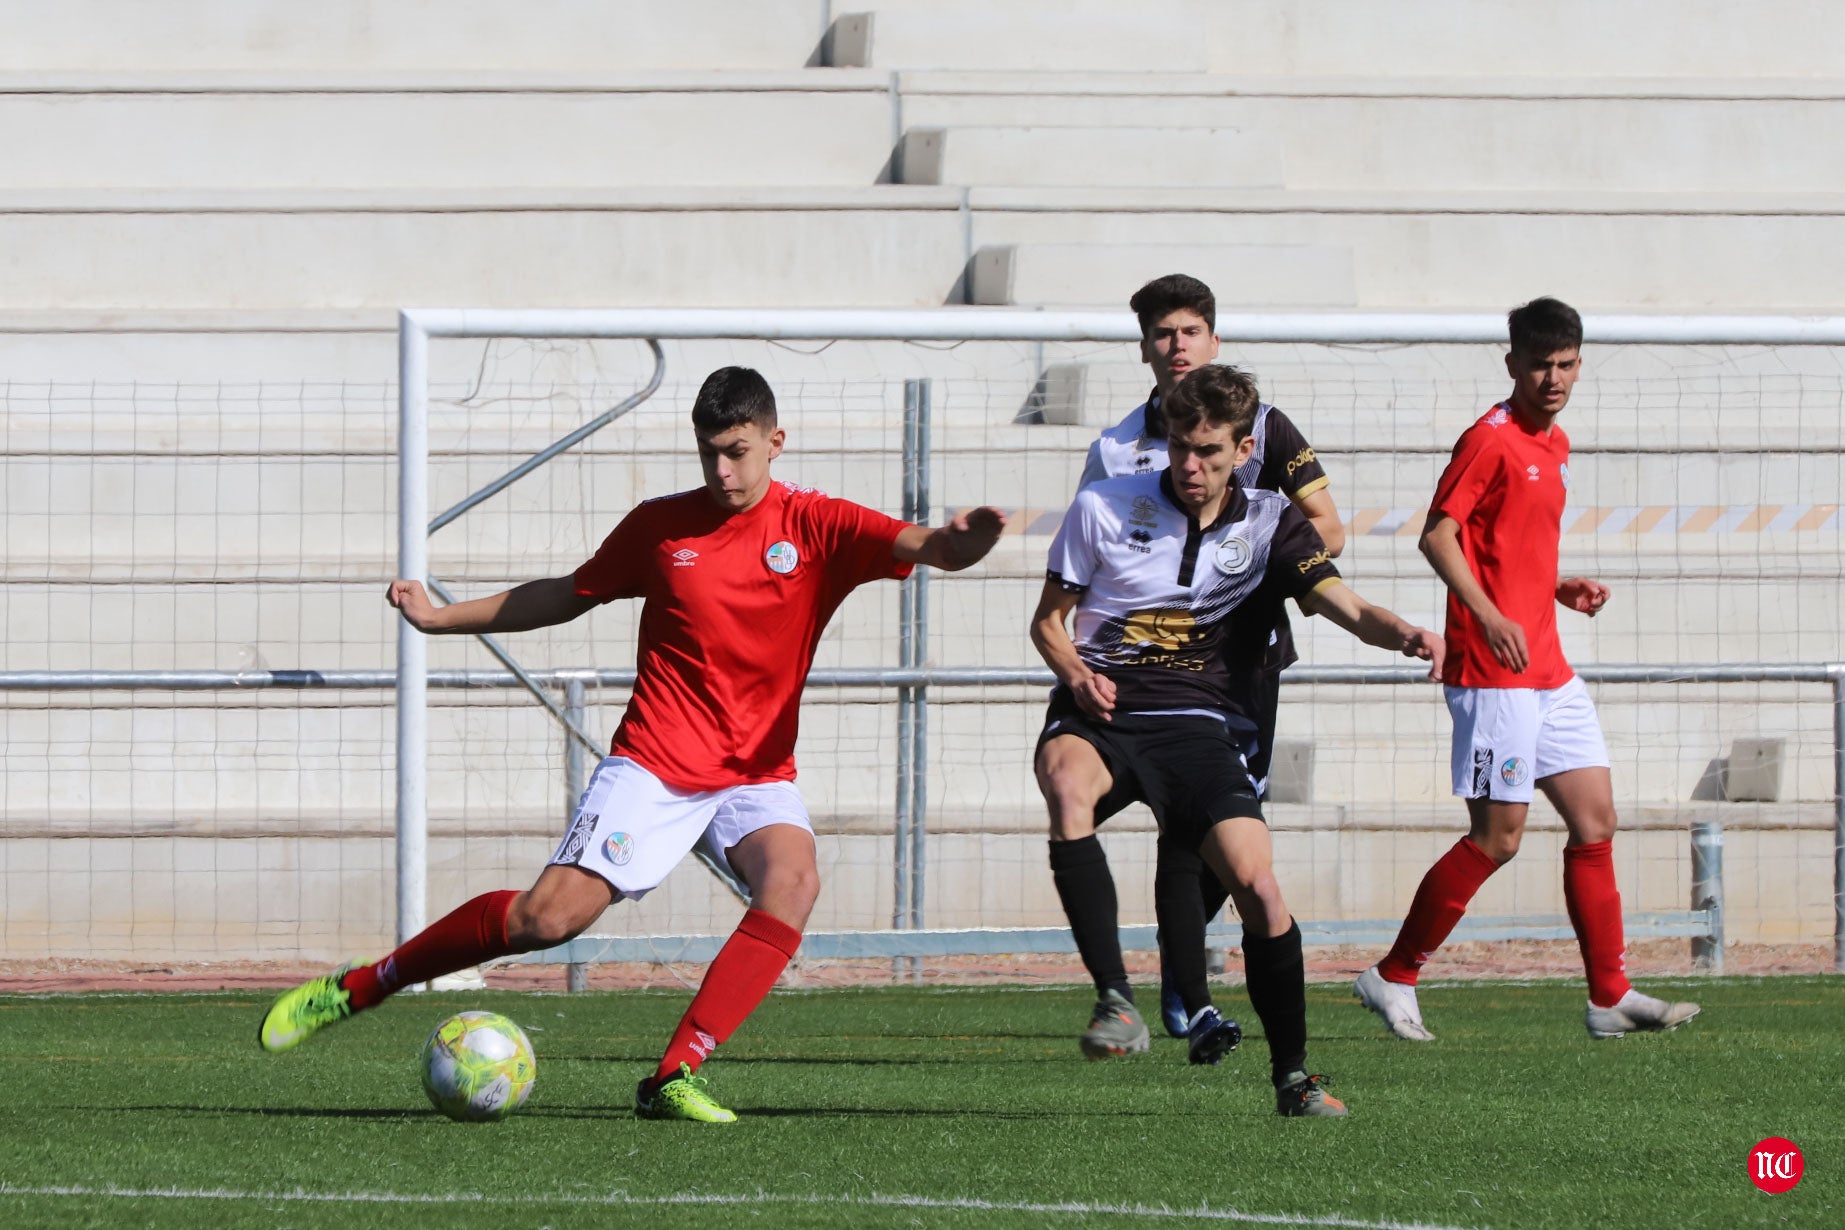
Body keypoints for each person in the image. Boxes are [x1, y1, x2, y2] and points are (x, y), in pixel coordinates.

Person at [258, 366, 1006, 1123]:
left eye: (737, 451)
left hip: (754, 770)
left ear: (775, 444)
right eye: (708, 451)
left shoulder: (819, 525)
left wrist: (966, 537)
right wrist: (439, 617)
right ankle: (364, 985)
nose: (721, 470)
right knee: (545, 921)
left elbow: (934, 548)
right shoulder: (661, 526)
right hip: (657, 762)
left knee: (794, 882)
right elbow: (567, 594)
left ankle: (673, 1075)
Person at [1032, 363, 1443, 1117]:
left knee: (1258, 886)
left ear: (1242, 449)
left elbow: (1341, 604)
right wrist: (1076, 675)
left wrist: (1407, 634)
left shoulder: (1268, 521)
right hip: (1104, 710)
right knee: (1066, 786)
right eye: (1181, 449)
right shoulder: (1100, 507)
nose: (1191, 467)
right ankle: (1114, 1000)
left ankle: (1293, 1077)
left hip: (1199, 723)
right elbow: (1048, 622)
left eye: (1210, 453)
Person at [1354, 297, 1701, 1042]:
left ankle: (1608, 996)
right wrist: (1485, 614)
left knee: (1594, 821)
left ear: (1579, 364)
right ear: (1511, 364)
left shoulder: (1555, 444)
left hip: (1547, 668)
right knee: (1497, 838)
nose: (1553, 378)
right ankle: (1393, 974)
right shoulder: (1489, 440)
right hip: (1491, 672)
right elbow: (1437, 536)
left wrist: (1556, 586)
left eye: (1566, 364)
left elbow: (1506, 547)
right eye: (1539, 364)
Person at [1079, 273, 1348, 1039]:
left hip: (1245, 665)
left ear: (1212, 341)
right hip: (1146, 667)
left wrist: (1262, 564)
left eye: (1189, 330)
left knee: (1221, 822)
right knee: (1174, 815)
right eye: (1163, 334)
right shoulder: (1115, 448)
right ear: (1143, 349)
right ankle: (1170, 985)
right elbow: (1091, 557)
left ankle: (1174, 978)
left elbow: (1327, 526)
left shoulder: (1265, 429)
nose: (1177, 346)